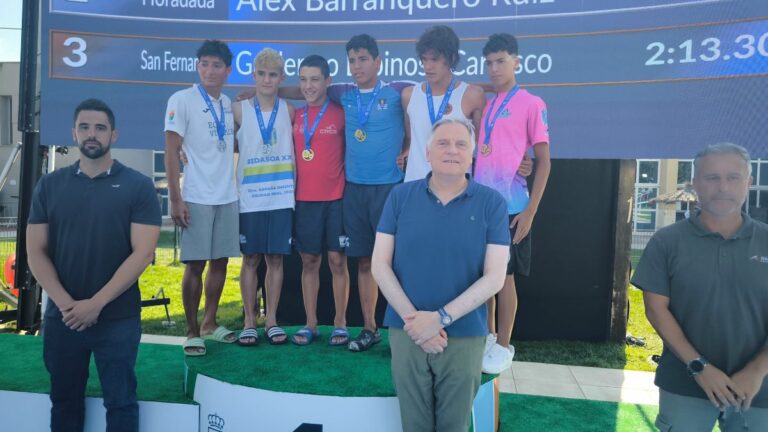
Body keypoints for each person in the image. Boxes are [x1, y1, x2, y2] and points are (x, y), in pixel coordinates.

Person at [27, 98, 162, 431]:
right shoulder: (49, 185)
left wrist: (96, 304)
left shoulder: (138, 186)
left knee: (120, 403)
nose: (92, 134)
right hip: (64, 319)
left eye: (100, 128)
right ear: (73, 133)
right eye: (84, 127)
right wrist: (67, 305)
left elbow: (143, 254)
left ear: (113, 134)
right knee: (64, 403)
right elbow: (36, 253)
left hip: (117, 318)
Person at [372, 119, 510, 432]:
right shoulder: (399, 197)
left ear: (472, 154)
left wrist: (440, 319)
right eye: (443, 143)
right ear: (427, 152)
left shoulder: (492, 204)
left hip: (464, 334)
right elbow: (379, 265)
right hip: (407, 332)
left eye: (461, 144)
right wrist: (416, 322)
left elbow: (494, 278)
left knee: (455, 426)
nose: (452, 150)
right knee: (414, 425)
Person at [631, 143, 768, 431]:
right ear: (695, 183)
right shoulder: (666, 242)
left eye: (733, 177)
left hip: (759, 390)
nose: (722, 187)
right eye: (712, 177)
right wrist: (699, 367)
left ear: (749, 182)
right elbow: (656, 310)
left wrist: (757, 371)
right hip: (684, 385)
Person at [326, 34, 413, 351]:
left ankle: (406, 328)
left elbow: (440, 92)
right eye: (352, 60)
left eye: (363, 59)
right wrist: (259, 91)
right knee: (364, 262)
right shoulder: (343, 93)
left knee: (398, 262)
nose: (357, 65)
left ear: (378, 61)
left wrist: (407, 146)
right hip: (355, 191)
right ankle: (370, 327)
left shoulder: (398, 90)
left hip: (389, 190)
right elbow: (304, 89)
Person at [474, 33, 551, 374]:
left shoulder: (532, 103)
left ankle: (505, 344)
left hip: (513, 207)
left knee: (505, 280)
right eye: (489, 62)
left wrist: (531, 211)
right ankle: (489, 336)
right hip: (479, 205)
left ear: (517, 61)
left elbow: (544, 161)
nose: (494, 68)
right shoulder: (484, 104)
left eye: (501, 61)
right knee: (484, 276)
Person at [164, 40, 240, 356]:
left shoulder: (228, 104)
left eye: (216, 65)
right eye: (204, 64)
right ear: (198, 66)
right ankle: (192, 330)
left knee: (220, 262)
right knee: (195, 265)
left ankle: (210, 322)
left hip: (227, 195)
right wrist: (175, 197)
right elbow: (171, 149)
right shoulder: (182, 100)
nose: (210, 70)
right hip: (195, 194)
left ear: (227, 70)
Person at [233, 48, 296, 346]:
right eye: (262, 74)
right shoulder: (239, 110)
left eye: (273, 75)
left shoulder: (289, 110)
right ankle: (249, 320)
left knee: (275, 260)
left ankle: (271, 320)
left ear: (281, 78)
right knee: (251, 259)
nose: (267, 80)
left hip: (281, 196)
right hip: (251, 197)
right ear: (253, 75)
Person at [290, 55, 350, 346]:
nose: (308, 85)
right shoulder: (295, 116)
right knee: (309, 262)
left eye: (315, 79)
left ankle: (340, 323)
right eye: (303, 79)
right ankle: (310, 323)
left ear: (328, 81)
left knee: (338, 261)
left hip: (336, 199)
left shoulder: (341, 112)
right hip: (304, 201)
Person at [401, 25, 487, 182]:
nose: (427, 66)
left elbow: (483, 146)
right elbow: (409, 137)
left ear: (452, 58)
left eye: (434, 59)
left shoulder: (473, 95)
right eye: (424, 59)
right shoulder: (409, 95)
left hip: (457, 191)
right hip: (415, 186)